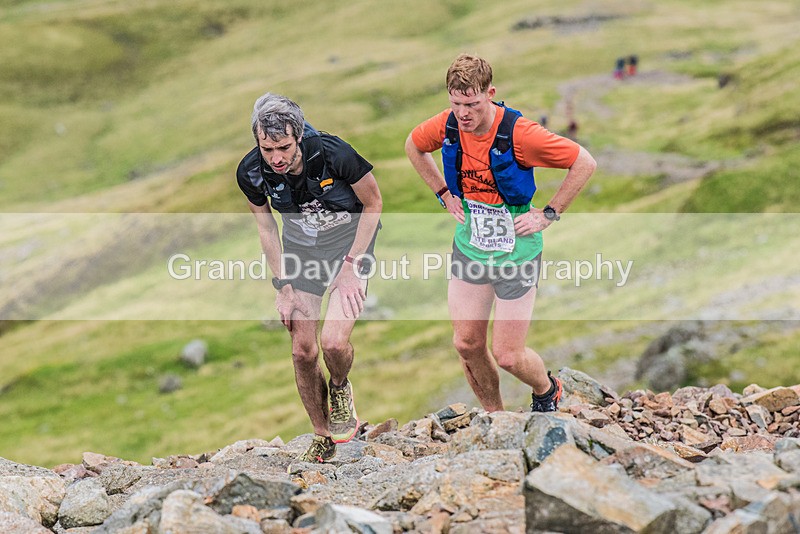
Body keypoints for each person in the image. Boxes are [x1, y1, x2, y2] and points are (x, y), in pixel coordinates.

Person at [404, 54, 596, 413]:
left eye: (472, 105)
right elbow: (413, 145)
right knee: (466, 344)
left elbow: (584, 162)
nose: (463, 114)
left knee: (508, 355)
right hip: (471, 247)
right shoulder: (447, 125)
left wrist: (549, 214)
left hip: (517, 253)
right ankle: (495, 417)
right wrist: (443, 192)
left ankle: (547, 390)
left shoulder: (521, 134)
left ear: (490, 94)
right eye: (456, 104)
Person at [236, 93, 382, 464]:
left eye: (284, 148)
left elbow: (374, 203)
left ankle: (340, 387)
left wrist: (351, 266)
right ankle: (322, 435)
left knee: (332, 343)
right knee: (303, 350)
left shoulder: (334, 153)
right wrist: (282, 285)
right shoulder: (250, 172)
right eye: (267, 149)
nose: (276, 158)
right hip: (302, 252)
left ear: (299, 137)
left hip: (350, 245)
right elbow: (267, 227)